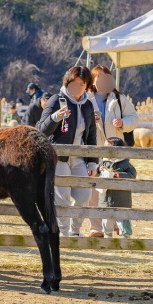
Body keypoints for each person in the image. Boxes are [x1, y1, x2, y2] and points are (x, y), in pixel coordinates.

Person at [37, 66, 97, 237]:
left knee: (84, 195)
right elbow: (40, 130)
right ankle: (62, 233)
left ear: (87, 86)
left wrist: (93, 161)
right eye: (74, 83)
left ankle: (75, 230)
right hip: (58, 158)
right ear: (67, 82)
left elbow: (91, 136)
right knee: (61, 197)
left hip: (79, 158)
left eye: (82, 84)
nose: (78, 87)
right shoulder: (56, 100)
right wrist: (55, 117)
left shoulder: (88, 105)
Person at [97, 137, 136, 238]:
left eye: (107, 148)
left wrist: (120, 175)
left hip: (121, 199)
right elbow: (97, 174)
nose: (104, 150)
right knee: (106, 219)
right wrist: (99, 170)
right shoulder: (103, 162)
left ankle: (126, 237)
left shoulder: (125, 163)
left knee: (122, 218)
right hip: (106, 198)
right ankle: (107, 236)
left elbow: (132, 175)